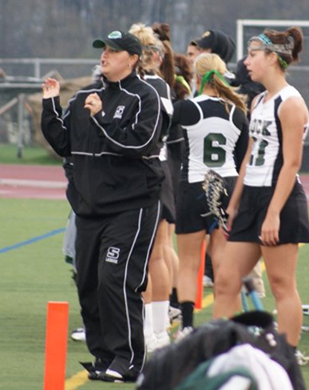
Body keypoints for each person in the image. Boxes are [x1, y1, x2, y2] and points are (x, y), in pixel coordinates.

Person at [41, 30, 163, 382]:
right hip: (90, 209)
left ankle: (127, 360)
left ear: (133, 58)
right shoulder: (84, 97)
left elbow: (137, 145)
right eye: (103, 50)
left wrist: (101, 117)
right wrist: (51, 106)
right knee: (89, 283)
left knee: (116, 279)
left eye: (114, 50)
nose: (105, 56)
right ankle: (103, 356)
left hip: (131, 206)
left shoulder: (146, 97)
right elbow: (64, 144)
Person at [212, 27, 309, 348]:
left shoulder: (291, 103)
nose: (246, 61)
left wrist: (272, 215)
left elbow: (291, 163)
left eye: (253, 55)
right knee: (226, 280)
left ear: (273, 58)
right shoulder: (258, 100)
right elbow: (249, 158)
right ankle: (221, 353)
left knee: (282, 284)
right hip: (252, 198)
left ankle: (286, 356)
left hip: (279, 199)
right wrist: (234, 202)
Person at [172, 53, 249, 338]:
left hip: (194, 185)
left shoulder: (186, 108)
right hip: (227, 187)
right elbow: (242, 160)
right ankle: (224, 326)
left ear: (196, 76)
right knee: (222, 261)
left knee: (189, 262)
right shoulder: (238, 111)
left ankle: (188, 327)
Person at [128, 22, 175, 352]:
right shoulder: (162, 85)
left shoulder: (143, 87)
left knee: (150, 255)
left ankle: (152, 328)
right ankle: (158, 327)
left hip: (144, 171)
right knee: (161, 251)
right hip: (161, 169)